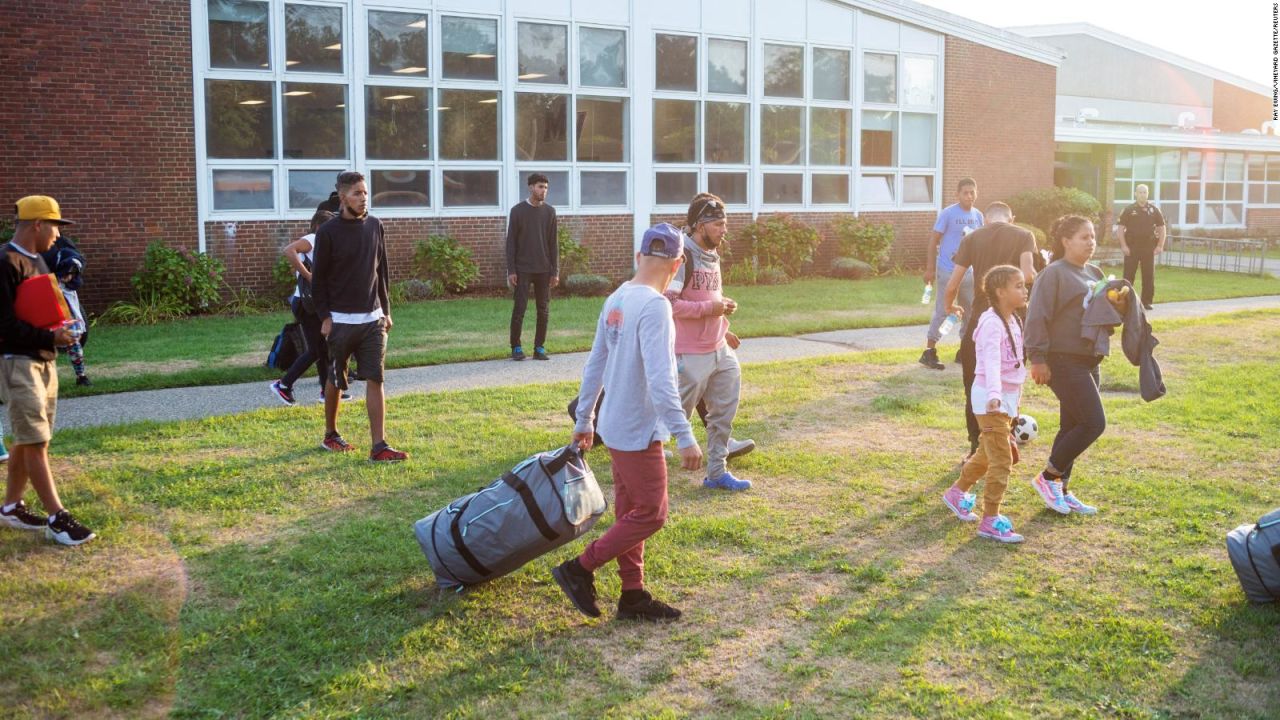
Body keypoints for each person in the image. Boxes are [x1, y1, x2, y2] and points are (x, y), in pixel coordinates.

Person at [553, 223, 704, 622]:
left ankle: (633, 595)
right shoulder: (656, 306)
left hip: (615, 426)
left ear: (639, 258)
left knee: (631, 513)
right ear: (677, 265)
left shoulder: (617, 297)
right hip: (637, 429)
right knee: (652, 513)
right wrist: (685, 435)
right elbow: (661, 379)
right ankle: (579, 568)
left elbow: (594, 365)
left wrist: (585, 418)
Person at [0, 196, 94, 545]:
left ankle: (10, 507)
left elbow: (38, 309)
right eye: (55, 226)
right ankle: (58, 517)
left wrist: (63, 328)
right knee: (36, 439)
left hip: (43, 358)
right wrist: (49, 335)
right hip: (16, 360)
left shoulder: (38, 260)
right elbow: (5, 324)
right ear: (38, 224)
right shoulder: (5, 262)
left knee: (30, 438)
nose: (58, 235)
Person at [311, 171, 408, 462]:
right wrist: (325, 317)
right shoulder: (328, 233)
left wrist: (386, 311)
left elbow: (382, 272)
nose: (363, 198)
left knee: (375, 378)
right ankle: (331, 434)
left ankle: (379, 446)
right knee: (337, 378)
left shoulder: (376, 226)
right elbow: (319, 281)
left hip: (372, 319)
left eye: (365, 193)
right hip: (340, 320)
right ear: (342, 197)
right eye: (357, 193)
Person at [666, 193, 753, 491]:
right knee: (674, 418)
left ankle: (717, 472)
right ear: (700, 225)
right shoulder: (682, 257)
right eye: (718, 224)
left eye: (725, 223)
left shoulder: (713, 254)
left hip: (719, 348)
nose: (724, 229)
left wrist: (722, 320)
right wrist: (709, 310)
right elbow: (669, 305)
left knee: (723, 413)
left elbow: (708, 297)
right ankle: (641, 458)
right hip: (690, 353)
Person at [1024, 215, 1106, 517]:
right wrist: (1038, 358)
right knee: (1093, 423)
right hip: (1062, 359)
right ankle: (1048, 476)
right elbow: (1036, 316)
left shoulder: (1095, 272)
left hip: (1088, 359)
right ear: (1066, 241)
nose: (1091, 242)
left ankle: (1061, 487)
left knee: (1072, 425)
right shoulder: (1054, 274)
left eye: (1093, 236)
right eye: (1084, 237)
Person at [941, 265, 1029, 543]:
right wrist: (995, 395)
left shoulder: (1012, 318)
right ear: (1001, 292)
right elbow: (990, 361)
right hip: (991, 399)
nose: (1024, 289)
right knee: (1002, 460)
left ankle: (957, 492)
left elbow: (1013, 363)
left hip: (1004, 398)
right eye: (1018, 286)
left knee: (987, 453)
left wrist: (1013, 400)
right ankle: (990, 519)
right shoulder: (992, 323)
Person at [944, 202, 1037, 459]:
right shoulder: (1024, 235)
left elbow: (954, 282)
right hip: (1014, 320)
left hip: (981, 320)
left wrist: (948, 304)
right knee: (1010, 383)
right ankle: (1005, 440)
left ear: (985, 220)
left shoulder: (972, 238)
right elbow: (1028, 274)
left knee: (976, 383)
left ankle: (976, 446)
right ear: (1012, 218)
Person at [269, 209, 351, 405]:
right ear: (320, 226)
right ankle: (283, 385)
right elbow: (289, 250)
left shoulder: (323, 242)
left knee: (322, 348)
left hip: (313, 303)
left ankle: (326, 391)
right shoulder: (314, 238)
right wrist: (308, 276)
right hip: (306, 304)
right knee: (316, 349)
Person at [920, 178, 982, 370]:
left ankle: (964, 351)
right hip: (948, 270)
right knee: (943, 310)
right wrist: (930, 268)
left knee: (971, 312)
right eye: (965, 192)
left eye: (972, 192)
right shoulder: (948, 213)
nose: (969, 196)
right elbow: (933, 241)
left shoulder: (978, 216)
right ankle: (929, 351)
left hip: (969, 272)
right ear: (958, 194)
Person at [506, 173, 559, 361]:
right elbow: (511, 242)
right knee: (519, 309)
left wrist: (555, 271)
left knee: (543, 310)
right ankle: (516, 347)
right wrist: (511, 269)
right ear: (530, 187)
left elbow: (553, 244)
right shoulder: (517, 211)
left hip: (544, 270)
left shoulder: (550, 212)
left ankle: (539, 348)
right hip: (523, 269)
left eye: (545, 187)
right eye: (540, 187)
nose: (543, 190)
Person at [39, 234, 90, 386]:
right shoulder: (27, 248)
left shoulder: (61, 244)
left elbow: (76, 260)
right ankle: (40, 379)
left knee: (72, 336)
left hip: (62, 297)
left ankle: (81, 376)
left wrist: (70, 272)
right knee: (40, 339)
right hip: (39, 297)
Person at [1115, 184, 1165, 310]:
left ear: (1147, 194)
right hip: (1132, 248)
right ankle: (1125, 301)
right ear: (1135, 194)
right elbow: (1120, 229)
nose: (1142, 194)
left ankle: (1146, 302)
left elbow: (1162, 228)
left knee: (1148, 276)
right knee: (1128, 276)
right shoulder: (1128, 209)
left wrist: (1160, 245)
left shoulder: (1154, 210)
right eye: (1140, 192)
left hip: (1148, 248)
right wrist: (1124, 246)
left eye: (1145, 192)